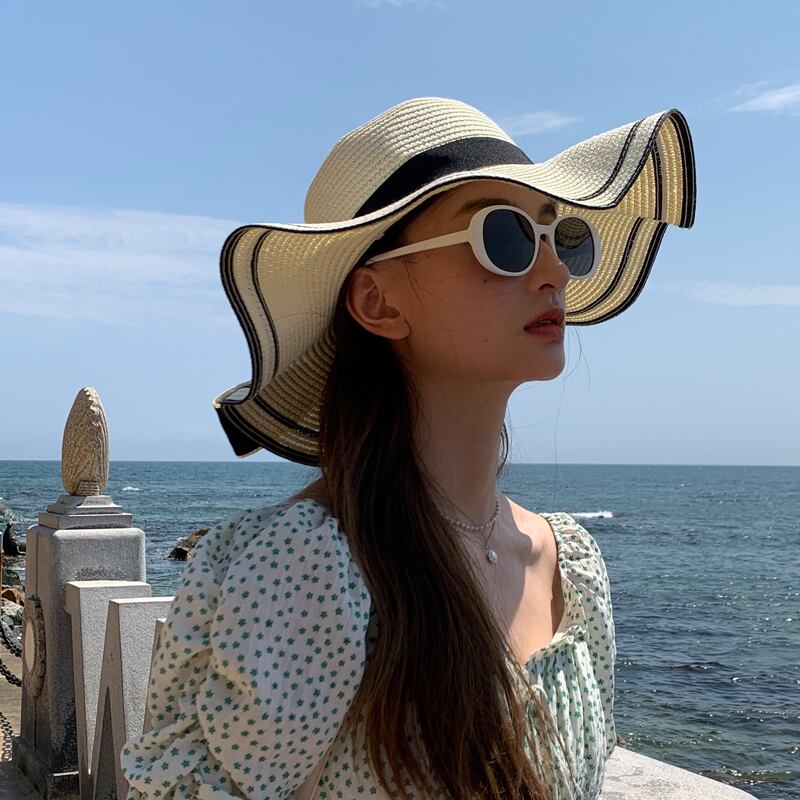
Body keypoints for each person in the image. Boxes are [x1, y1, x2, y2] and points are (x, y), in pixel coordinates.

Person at [120, 97, 696, 799]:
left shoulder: (570, 568)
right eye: (504, 236)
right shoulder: (311, 567)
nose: (555, 272)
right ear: (379, 302)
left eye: (563, 236)